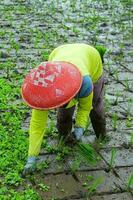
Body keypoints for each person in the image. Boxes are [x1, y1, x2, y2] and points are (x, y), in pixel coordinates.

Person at [21, 43, 106, 175]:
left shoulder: (85, 83)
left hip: (91, 60)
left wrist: (80, 126)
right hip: (59, 52)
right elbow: (37, 125)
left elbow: (84, 107)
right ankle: (65, 140)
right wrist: (31, 158)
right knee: (63, 115)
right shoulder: (42, 89)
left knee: (96, 109)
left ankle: (102, 136)